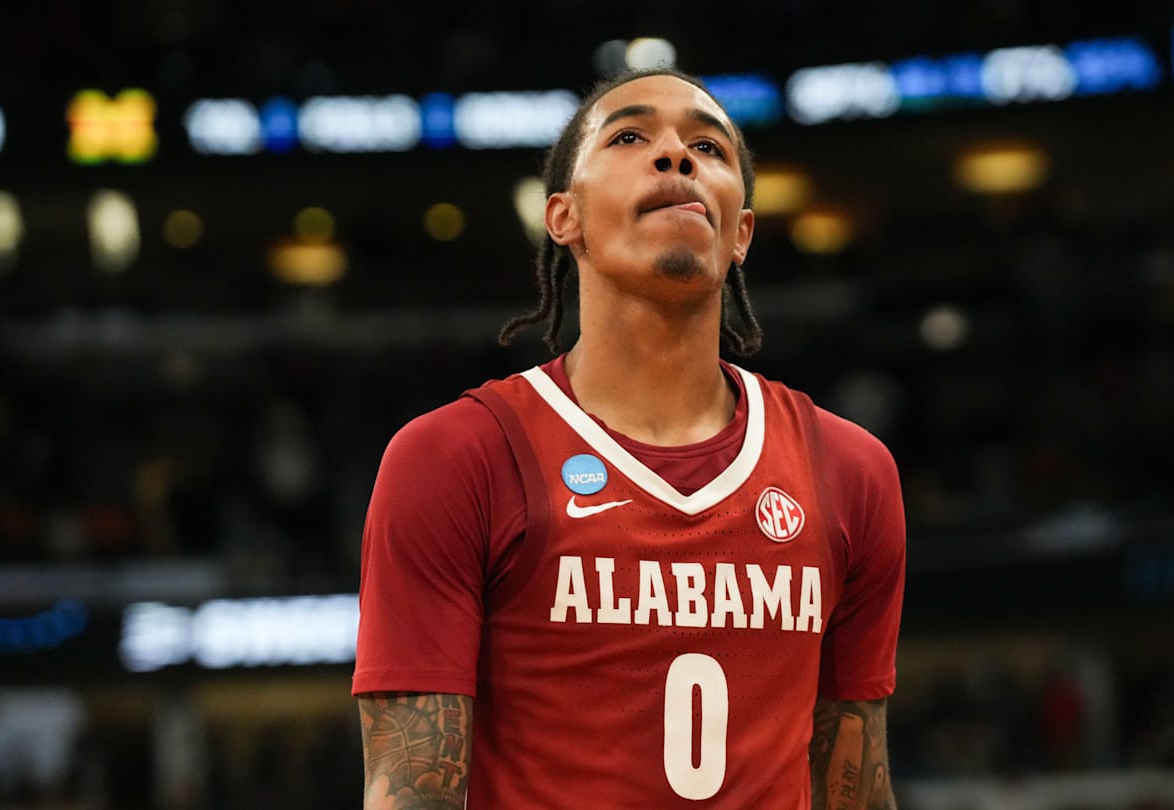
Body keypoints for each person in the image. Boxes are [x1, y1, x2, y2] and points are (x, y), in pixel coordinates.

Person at [353, 66, 906, 809]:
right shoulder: (457, 457)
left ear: (741, 232)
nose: (677, 155)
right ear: (563, 216)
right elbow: (411, 796)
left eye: (709, 147)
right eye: (631, 136)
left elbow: (856, 791)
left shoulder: (851, 470)